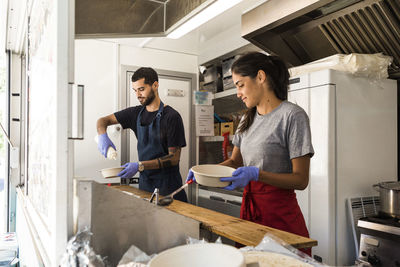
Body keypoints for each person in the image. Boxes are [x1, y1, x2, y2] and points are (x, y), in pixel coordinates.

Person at [187, 52, 314, 252]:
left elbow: (301, 180)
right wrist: (203, 173)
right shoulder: (248, 119)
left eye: (240, 84)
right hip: (250, 215)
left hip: (280, 216)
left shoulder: (292, 116)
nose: (238, 93)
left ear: (261, 77)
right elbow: (234, 162)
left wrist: (257, 174)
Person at [97, 67, 187, 202]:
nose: (138, 95)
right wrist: (102, 136)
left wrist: (140, 166)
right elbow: (103, 121)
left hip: (169, 189)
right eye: (135, 90)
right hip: (145, 187)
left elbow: (174, 158)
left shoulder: (172, 117)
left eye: (141, 89)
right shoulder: (135, 114)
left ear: (155, 85)